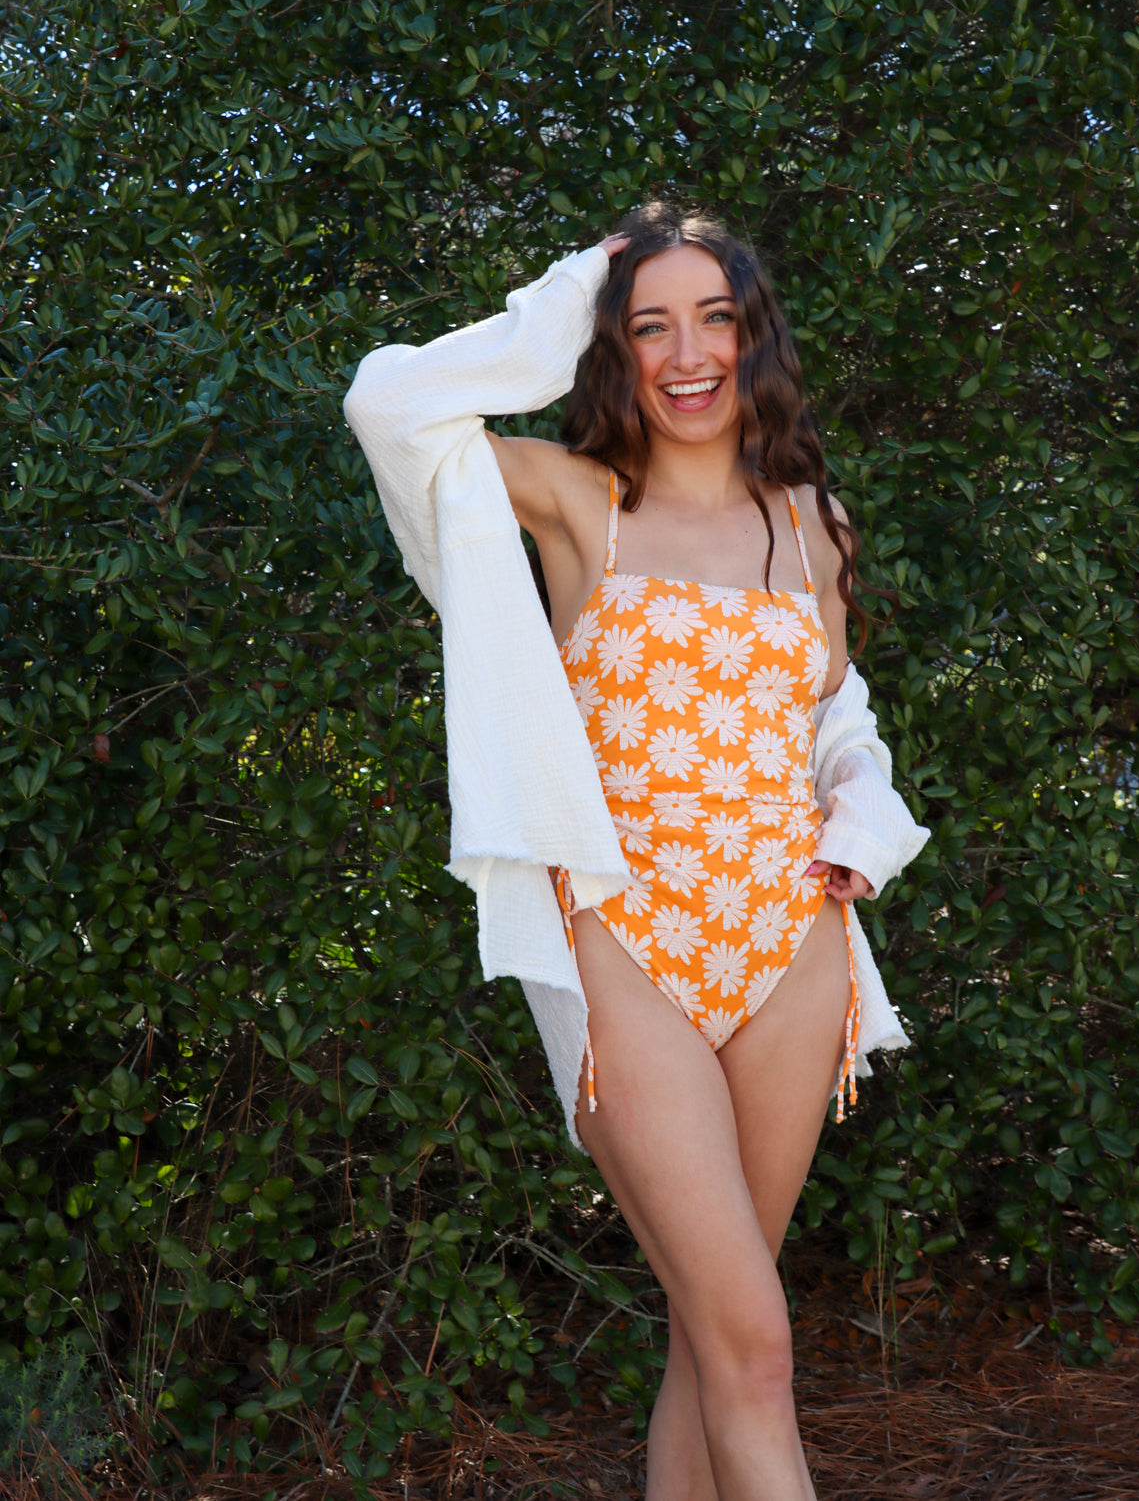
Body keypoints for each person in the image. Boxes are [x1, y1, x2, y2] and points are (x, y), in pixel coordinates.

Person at [344, 201, 928, 1501]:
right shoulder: (571, 501)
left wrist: (859, 811)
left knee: (712, 1339)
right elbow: (390, 403)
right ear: (613, 352)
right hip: (627, 942)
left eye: (712, 319)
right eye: (648, 327)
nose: (685, 355)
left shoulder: (809, 523)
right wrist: (563, 298)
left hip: (792, 947)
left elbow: (837, 713)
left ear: (752, 336)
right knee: (757, 1348)